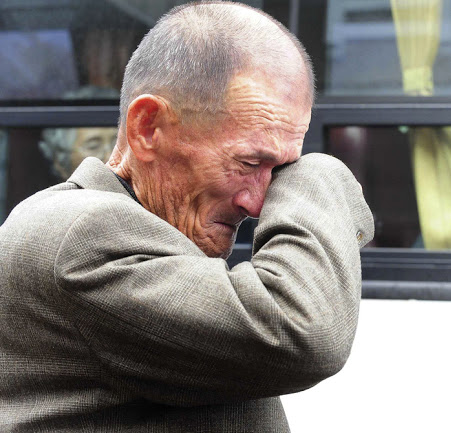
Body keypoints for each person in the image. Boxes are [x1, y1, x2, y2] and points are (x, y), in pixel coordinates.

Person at [0, 2, 374, 431]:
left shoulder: (129, 229)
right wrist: (319, 171)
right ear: (148, 129)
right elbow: (301, 332)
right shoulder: (85, 235)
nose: (258, 205)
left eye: (283, 170)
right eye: (250, 163)